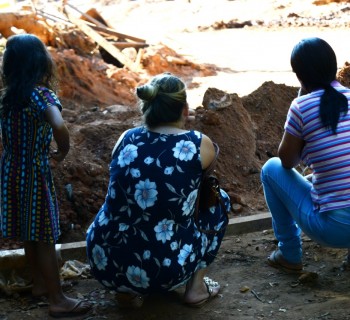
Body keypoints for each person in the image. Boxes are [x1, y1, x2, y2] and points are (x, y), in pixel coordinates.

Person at [86, 72, 230, 307]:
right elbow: (200, 191)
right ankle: (195, 289)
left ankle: (125, 290)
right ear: (184, 109)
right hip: (164, 269)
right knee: (217, 200)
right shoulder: (197, 143)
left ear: (146, 106)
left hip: (104, 259)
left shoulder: (126, 138)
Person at [0, 34, 92, 318]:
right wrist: (62, 150)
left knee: (30, 233)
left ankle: (40, 284)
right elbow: (58, 123)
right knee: (45, 236)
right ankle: (57, 298)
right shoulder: (42, 95)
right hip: (36, 171)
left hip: (11, 170)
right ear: (42, 63)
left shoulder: (7, 98)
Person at [260, 37, 350, 273]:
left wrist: (300, 100)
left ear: (299, 75)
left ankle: (289, 253)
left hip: (334, 231)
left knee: (271, 169)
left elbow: (287, 162)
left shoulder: (302, 107)